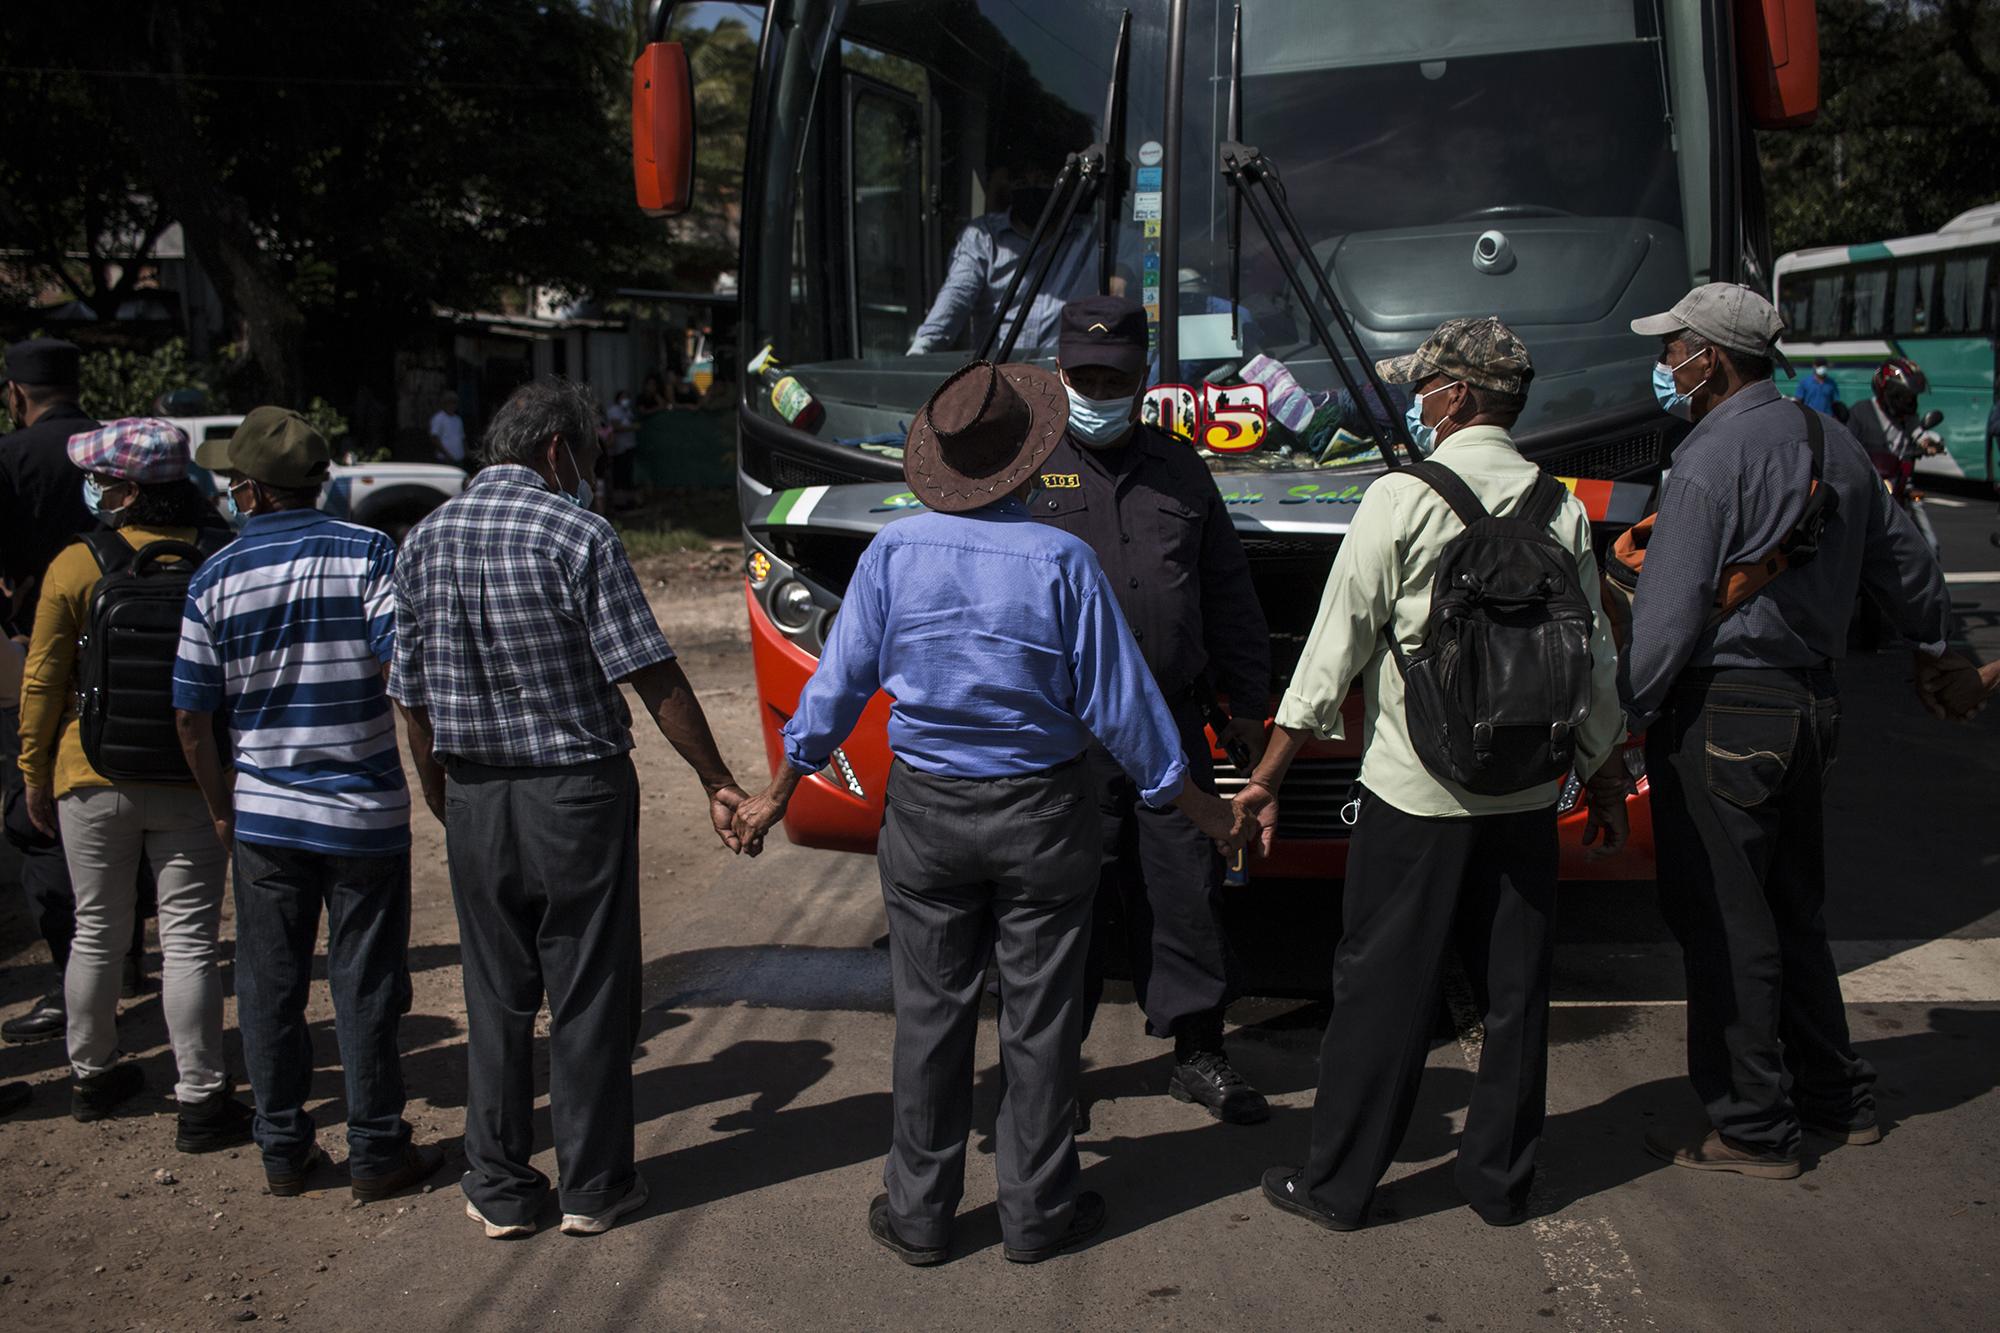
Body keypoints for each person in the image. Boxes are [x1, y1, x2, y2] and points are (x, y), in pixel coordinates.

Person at [730, 360, 1247, 1266]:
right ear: (1028, 455)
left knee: (929, 1014)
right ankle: (1037, 1212)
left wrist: (779, 790)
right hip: (1045, 811)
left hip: (926, 813)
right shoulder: (1062, 560)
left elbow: (840, 684)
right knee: (1039, 1019)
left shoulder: (892, 552)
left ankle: (920, 1216)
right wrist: (1197, 806)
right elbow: (1124, 708)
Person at [1236, 317, 1628, 1231]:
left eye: (1425, 388)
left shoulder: (1400, 498)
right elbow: (1595, 659)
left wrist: (1267, 771)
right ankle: (1499, 1182)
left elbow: (1331, 653)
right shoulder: (1558, 504)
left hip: (1416, 792)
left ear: (1456, 397)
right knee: (1517, 988)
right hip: (1528, 790)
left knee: (1382, 986)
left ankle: (1338, 1186)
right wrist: (1602, 774)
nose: (1417, 402)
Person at [1621, 284, 1979, 1178]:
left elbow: (1666, 623)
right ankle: (1836, 1097)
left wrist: (1625, 715)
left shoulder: (1708, 458)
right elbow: (1910, 569)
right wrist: (1939, 646)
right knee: (1793, 910)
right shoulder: (1837, 445)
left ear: (1711, 357)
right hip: (1813, 706)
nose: (1665, 365)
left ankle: (1752, 1125)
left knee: (1725, 921)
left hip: (1725, 711)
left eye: (1674, 349)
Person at [389, 377, 750, 1240]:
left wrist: (443, 793)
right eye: (589, 456)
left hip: (475, 791)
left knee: (496, 995)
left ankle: (503, 1186)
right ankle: (593, 1186)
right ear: (558, 451)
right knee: (588, 990)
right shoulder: (579, 532)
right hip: (576, 795)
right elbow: (649, 671)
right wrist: (715, 779)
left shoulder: (423, 539)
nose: (591, 473)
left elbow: (408, 695)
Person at [172, 406, 444, 1203]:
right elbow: (408, 685)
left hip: (263, 817)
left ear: (250, 493)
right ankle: (376, 1150)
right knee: (366, 981)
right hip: (363, 815)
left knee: (268, 984)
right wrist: (429, 782)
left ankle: (284, 1148)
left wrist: (222, 803)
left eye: (232, 486)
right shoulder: (368, 553)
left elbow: (191, 716)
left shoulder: (212, 577)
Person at [1032, 295, 1273, 1126]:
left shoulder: (1180, 467)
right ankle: (1053, 1074)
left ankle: (1200, 1053)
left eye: (1116, 376)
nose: (1099, 388)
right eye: (1084, 375)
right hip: (1063, 735)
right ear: (1060, 374)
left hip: (1169, 727)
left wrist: (1249, 701)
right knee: (1066, 905)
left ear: (1143, 379)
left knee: (1186, 890)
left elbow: (1226, 590)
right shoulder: (1024, 471)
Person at [18, 418, 253, 1146]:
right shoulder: (221, 557)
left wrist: (33, 773)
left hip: (88, 773)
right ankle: (202, 1099)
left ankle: (92, 1076)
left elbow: (43, 681)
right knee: (187, 937)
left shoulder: (75, 564)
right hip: (194, 774)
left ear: (121, 490)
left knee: (98, 927)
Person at [0, 338, 109, 1044]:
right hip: (127, 650)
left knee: (36, 813)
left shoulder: (12, 457)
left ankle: (77, 972)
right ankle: (117, 957)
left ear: (16, 392)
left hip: (38, 651)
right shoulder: (115, 446)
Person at [907, 163, 1097, 357]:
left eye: (1045, 181)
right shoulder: (984, 237)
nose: (1033, 189)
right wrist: (921, 350)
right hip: (996, 376)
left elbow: (1126, 262)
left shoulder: (1091, 237)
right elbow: (956, 295)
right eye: (1022, 182)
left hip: (1061, 380)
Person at [428, 391, 467, 469]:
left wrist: (466, 452)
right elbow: (434, 438)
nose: (452, 406)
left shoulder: (457, 419)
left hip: (459, 458)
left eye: (454, 403)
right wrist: (446, 454)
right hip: (445, 459)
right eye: (450, 403)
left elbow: (462, 437)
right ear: (444, 404)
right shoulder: (438, 418)